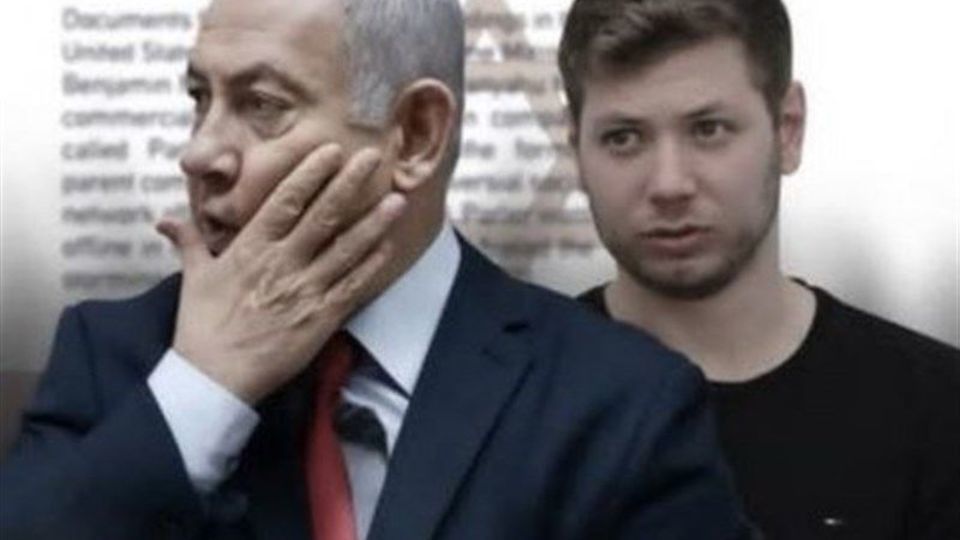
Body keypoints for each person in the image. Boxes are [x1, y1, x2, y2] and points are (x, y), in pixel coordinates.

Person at [0, 0, 754, 538]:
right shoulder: (113, 358)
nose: (200, 153)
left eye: (261, 104)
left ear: (416, 135)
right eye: (201, 98)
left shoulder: (618, 404)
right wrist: (203, 390)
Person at [558, 0, 960, 538]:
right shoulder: (500, 407)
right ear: (576, 151)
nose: (669, 184)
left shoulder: (938, 413)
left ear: (788, 130)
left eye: (708, 129)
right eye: (624, 138)